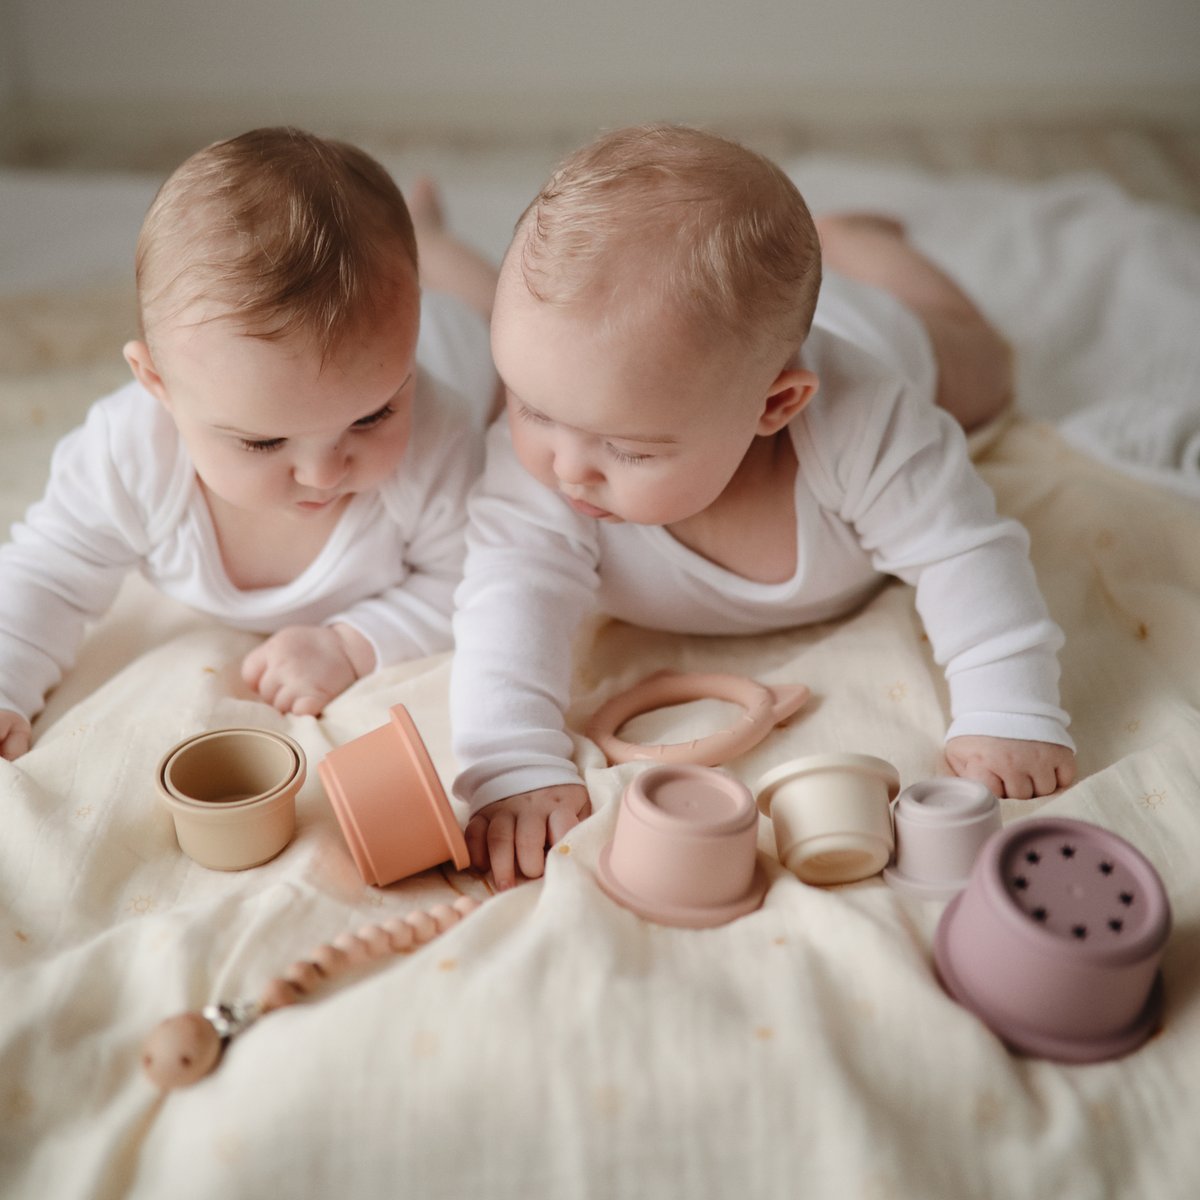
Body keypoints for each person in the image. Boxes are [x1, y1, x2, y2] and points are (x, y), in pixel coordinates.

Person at [449, 123, 1077, 889]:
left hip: (880, 334)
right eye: (530, 407)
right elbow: (507, 601)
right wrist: (512, 761)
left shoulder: (870, 426)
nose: (565, 467)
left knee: (988, 366)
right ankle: (431, 244)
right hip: (698, 350)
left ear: (775, 405)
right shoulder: (539, 473)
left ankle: (853, 240)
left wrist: (1006, 710)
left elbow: (966, 553)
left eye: (631, 449)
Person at [0, 126, 500, 761]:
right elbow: (47, 573)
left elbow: (471, 580)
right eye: (263, 443)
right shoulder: (127, 456)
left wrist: (353, 643)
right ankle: (422, 241)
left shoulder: (438, 435)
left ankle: (428, 240)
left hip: (454, 349)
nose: (324, 473)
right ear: (158, 384)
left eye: (373, 418)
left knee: (493, 320)